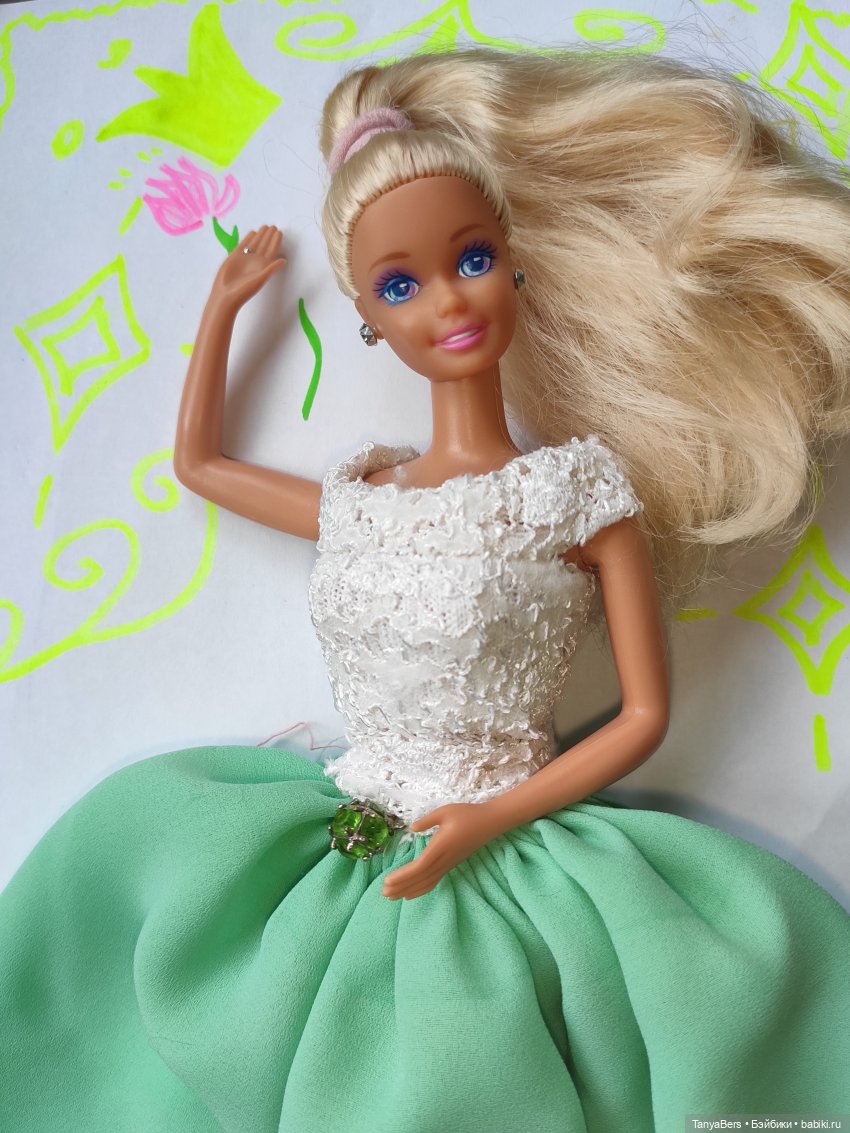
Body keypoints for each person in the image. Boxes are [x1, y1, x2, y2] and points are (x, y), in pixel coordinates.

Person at [2, 48, 850, 1133]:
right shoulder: (363, 498)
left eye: (473, 258)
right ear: (366, 314)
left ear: (515, 264)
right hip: (344, 830)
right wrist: (222, 310)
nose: (447, 301)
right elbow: (201, 466)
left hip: (506, 838)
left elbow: (643, 716)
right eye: (400, 285)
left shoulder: (576, 496)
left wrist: (490, 814)